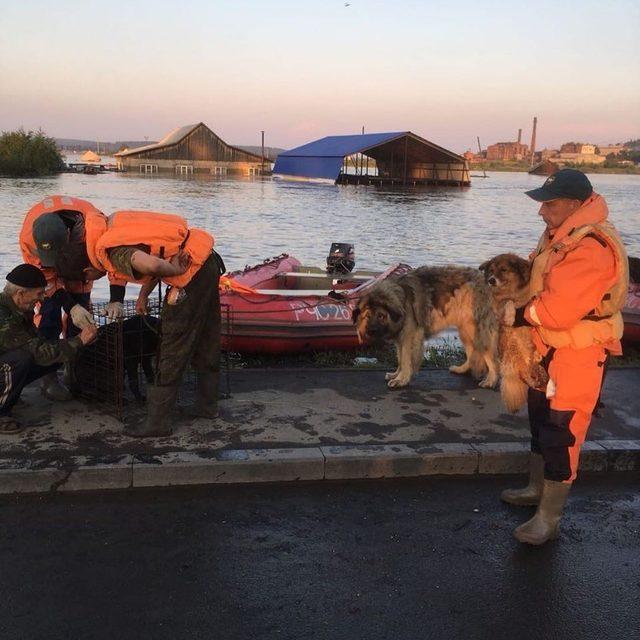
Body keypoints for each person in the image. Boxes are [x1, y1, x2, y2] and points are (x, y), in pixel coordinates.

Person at [502, 169, 628, 545]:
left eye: (549, 203)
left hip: (578, 354)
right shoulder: (563, 235)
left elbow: (557, 310)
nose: (541, 211)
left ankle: (548, 518)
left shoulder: (591, 247)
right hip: (549, 350)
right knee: (540, 423)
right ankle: (535, 489)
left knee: (562, 432)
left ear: (574, 205)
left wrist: (519, 314)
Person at [54, 210, 223, 438]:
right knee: (206, 335)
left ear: (87, 271)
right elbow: (159, 249)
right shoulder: (111, 229)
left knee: (173, 342)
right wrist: (143, 295)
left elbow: (152, 264)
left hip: (190, 271)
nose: (93, 281)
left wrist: (175, 270)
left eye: (88, 279)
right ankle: (208, 405)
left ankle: (157, 422)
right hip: (206, 258)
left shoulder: (113, 252)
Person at [20, 195, 127, 397]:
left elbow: (116, 262)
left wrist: (115, 297)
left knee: (80, 318)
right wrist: (69, 306)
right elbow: (46, 277)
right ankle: (48, 376)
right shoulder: (29, 237)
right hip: (49, 274)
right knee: (48, 313)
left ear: (68, 234)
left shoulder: (96, 227)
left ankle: (75, 370)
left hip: (81, 268)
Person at [0, 264, 98, 434]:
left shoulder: (20, 307)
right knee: (22, 359)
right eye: (38, 293)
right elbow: (36, 352)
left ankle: (8, 394)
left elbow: (39, 343)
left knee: (56, 357)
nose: (42, 298)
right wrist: (79, 341)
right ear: (20, 293)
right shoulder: (4, 316)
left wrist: (74, 342)